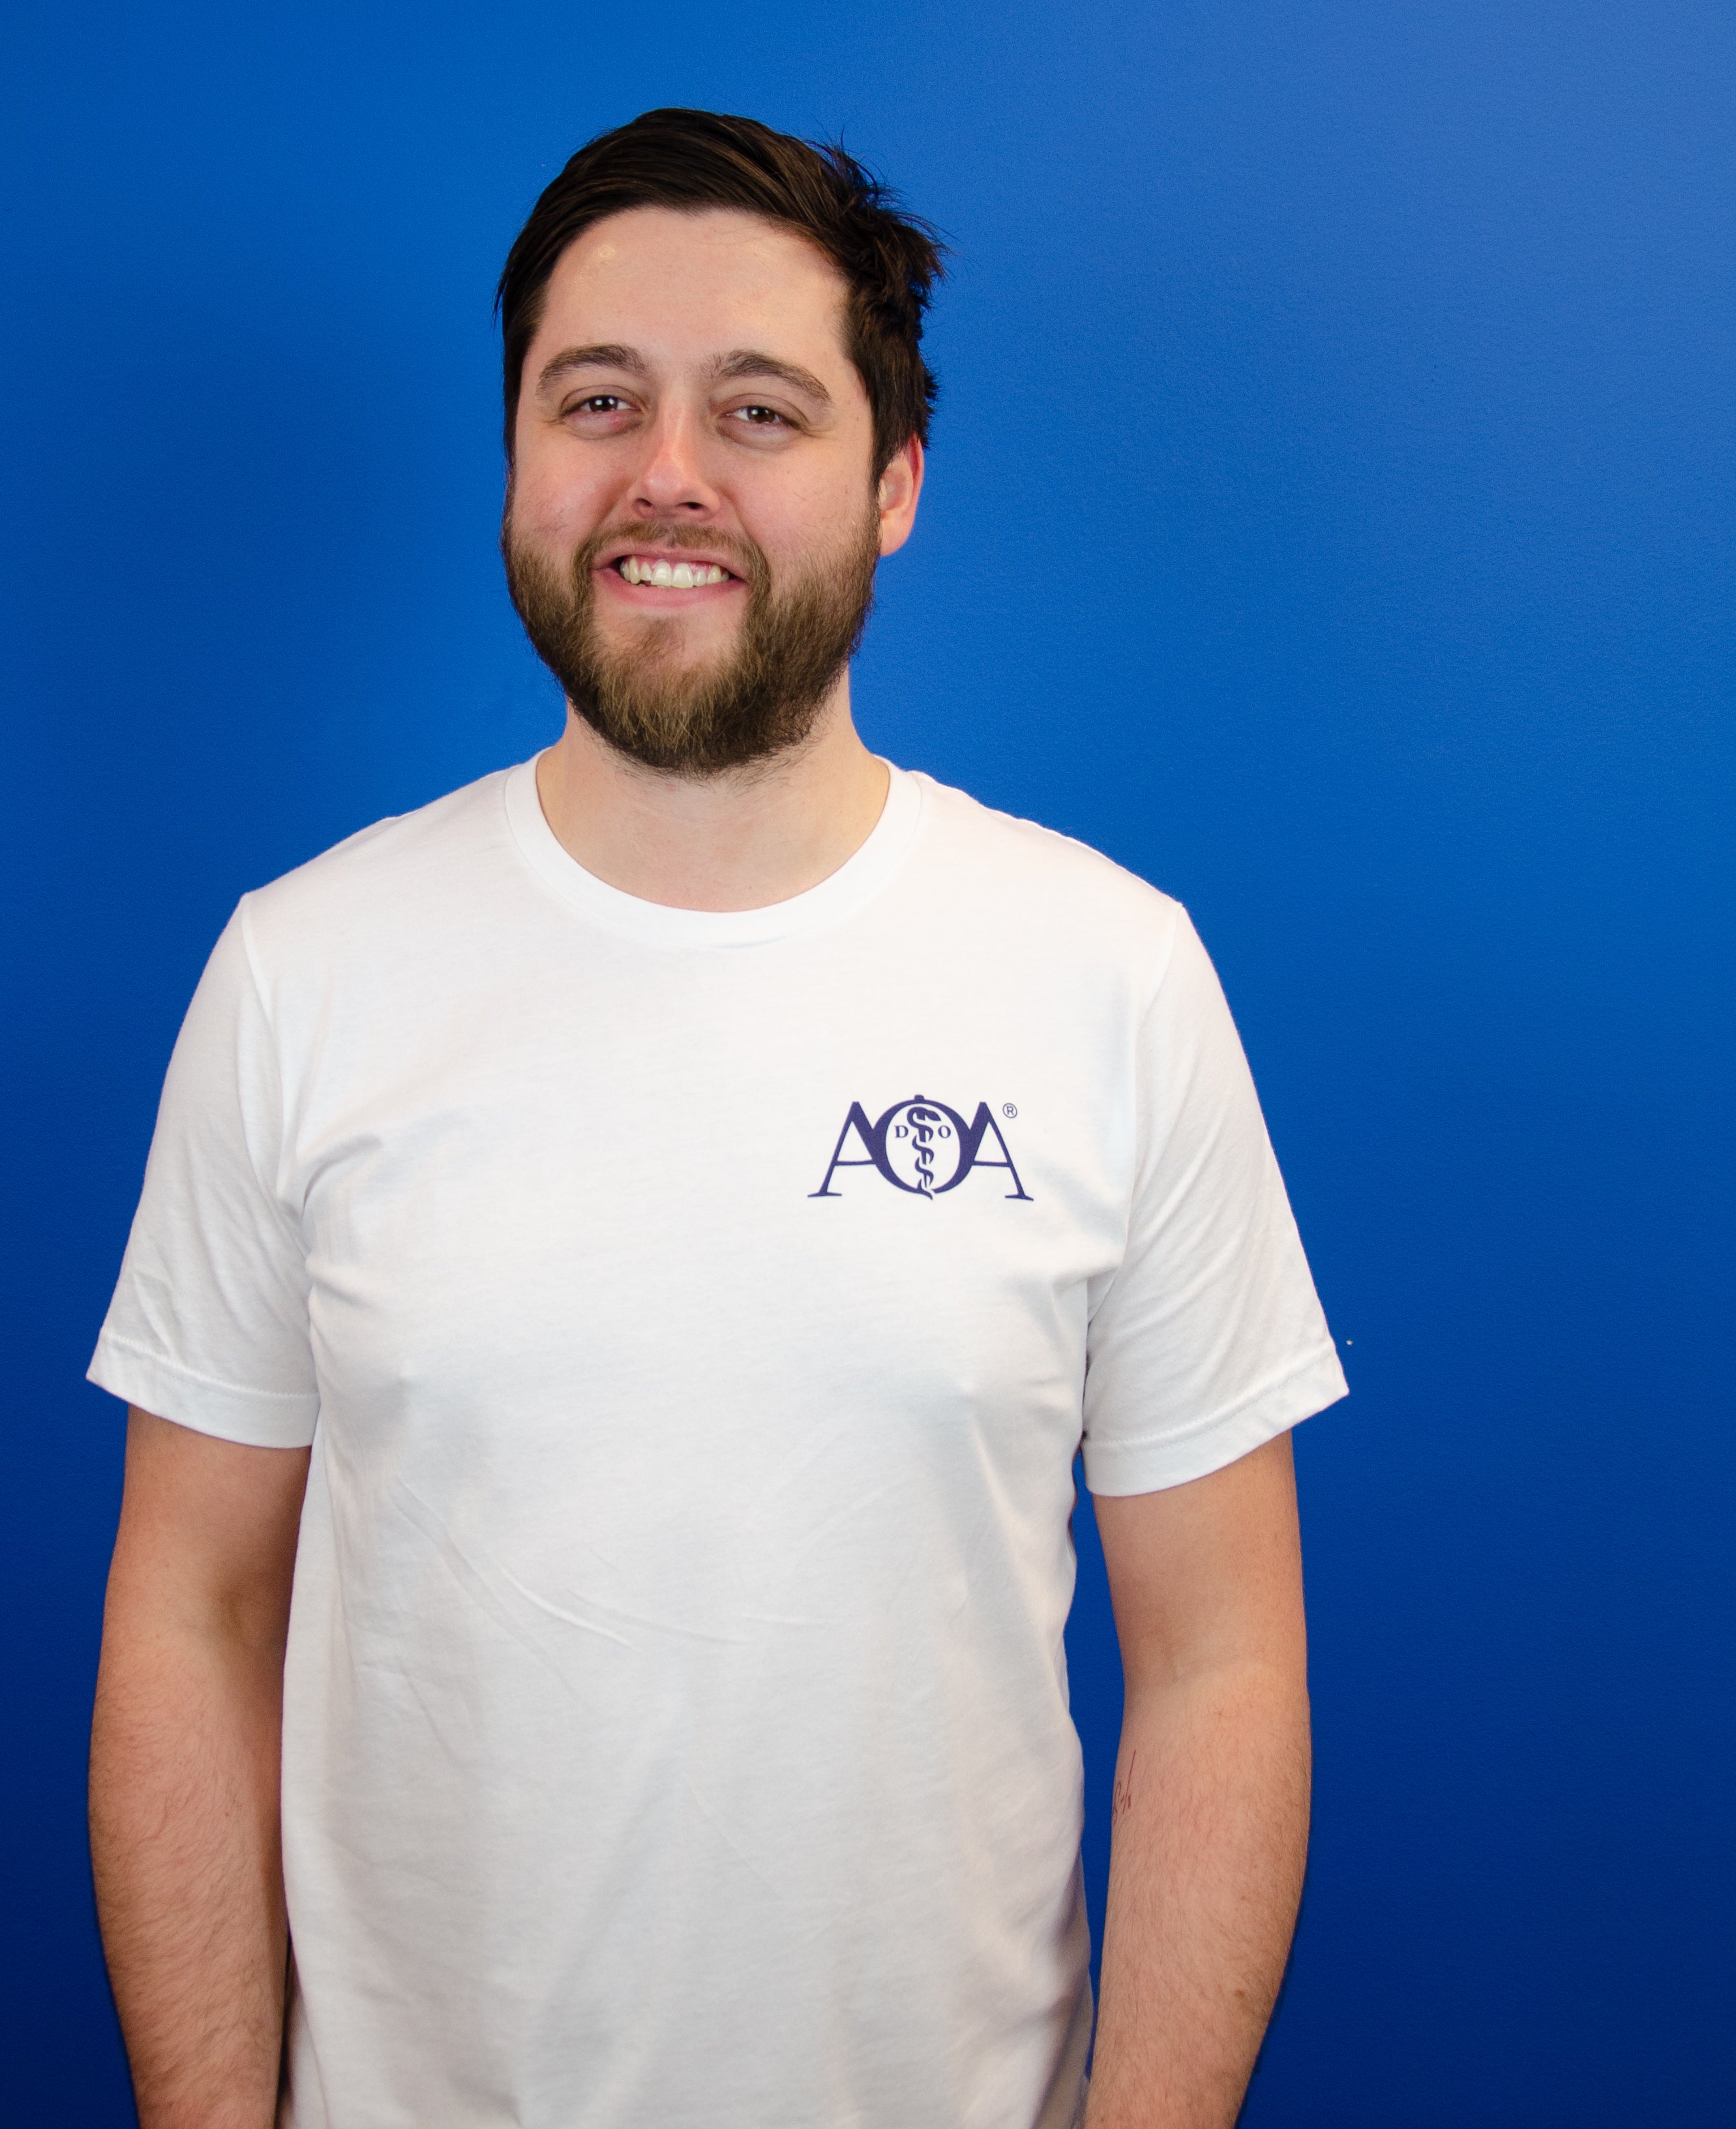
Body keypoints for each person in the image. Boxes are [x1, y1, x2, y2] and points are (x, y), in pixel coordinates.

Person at [87, 106, 1347, 2129]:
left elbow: (1222, 1666)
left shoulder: (1109, 977)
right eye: (599, 400)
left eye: (760, 411)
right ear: (516, 458)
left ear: (896, 483)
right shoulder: (301, 971)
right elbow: (192, 1612)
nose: (665, 473)